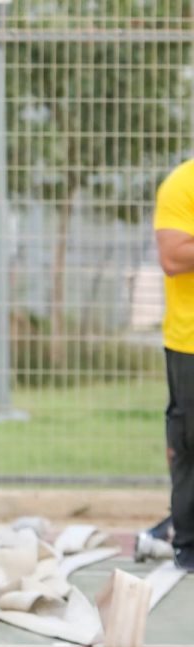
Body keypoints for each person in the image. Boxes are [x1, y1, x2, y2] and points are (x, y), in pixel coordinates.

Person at [153, 155, 194, 571]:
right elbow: (174, 257)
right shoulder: (183, 184)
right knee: (190, 444)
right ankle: (188, 543)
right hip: (190, 341)